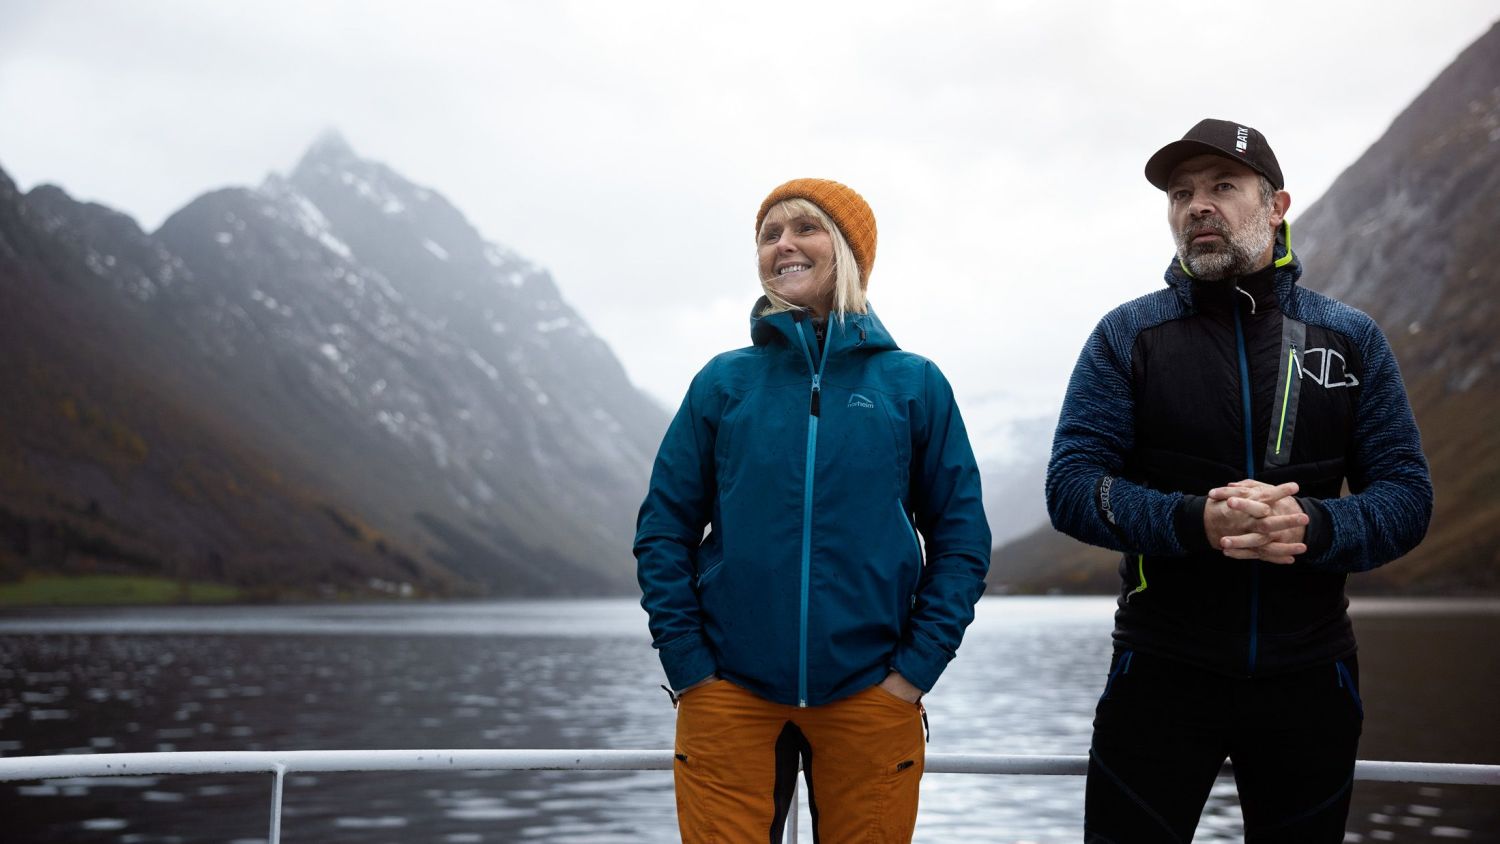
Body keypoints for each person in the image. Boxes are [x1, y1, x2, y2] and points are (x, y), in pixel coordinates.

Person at [1047, 119, 1433, 842]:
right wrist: (1196, 521)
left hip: (1310, 679)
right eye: (1182, 193)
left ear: (1277, 206)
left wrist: (1317, 527)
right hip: (1161, 675)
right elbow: (1072, 486)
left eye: (1223, 186)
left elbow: (1407, 497)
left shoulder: (1349, 338)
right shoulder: (1127, 337)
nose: (1198, 206)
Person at [635, 178, 991, 842]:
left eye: (805, 228)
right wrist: (690, 670)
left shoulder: (913, 385)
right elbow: (663, 530)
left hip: (871, 696)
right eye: (769, 235)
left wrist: (913, 674)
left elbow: (962, 541)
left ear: (851, 251)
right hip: (729, 695)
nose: (784, 245)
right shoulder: (723, 382)